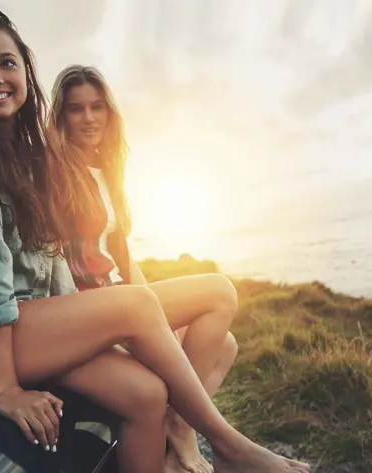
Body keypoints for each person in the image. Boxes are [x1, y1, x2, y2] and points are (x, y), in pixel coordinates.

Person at [0, 9, 310, 473]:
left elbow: (48, 263)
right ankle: (231, 447)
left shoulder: (19, 153)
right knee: (134, 304)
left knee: (146, 394)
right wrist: (8, 391)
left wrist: (85, 330)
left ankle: (179, 440)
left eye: (6, 63)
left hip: (17, 325)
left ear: (25, 71)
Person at [50, 64, 239, 473]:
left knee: (224, 345)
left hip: (123, 296)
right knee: (219, 290)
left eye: (96, 107)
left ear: (109, 112)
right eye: (75, 109)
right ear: (61, 117)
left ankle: (175, 433)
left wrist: (157, 314)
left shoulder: (110, 171)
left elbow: (122, 255)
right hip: (92, 307)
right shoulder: (56, 172)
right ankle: (183, 429)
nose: (87, 118)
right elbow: (60, 257)